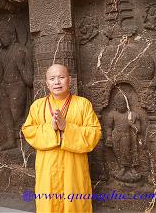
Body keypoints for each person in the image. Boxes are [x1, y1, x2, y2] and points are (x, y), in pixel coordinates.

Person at [22, 64, 101, 212]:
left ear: (69, 80)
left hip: (74, 168)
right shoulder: (37, 106)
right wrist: (50, 128)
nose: (57, 82)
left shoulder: (83, 104)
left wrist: (67, 127)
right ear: (47, 83)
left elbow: (94, 133)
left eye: (61, 77)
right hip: (48, 169)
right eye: (52, 78)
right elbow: (28, 130)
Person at [0, 19, 32, 150]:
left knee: (17, 116)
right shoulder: (1, 54)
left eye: (3, 35)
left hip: (17, 87)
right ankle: (11, 140)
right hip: (4, 88)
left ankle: (26, 140)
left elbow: (29, 80)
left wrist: (20, 63)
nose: (1, 39)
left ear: (12, 35)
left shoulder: (22, 51)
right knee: (6, 115)